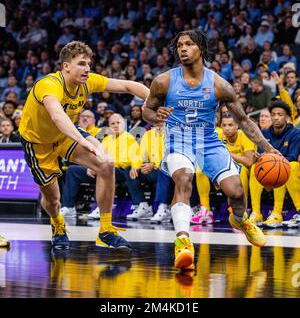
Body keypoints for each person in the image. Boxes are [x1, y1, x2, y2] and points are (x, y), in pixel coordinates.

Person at [142, 29, 278, 271]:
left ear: (201, 49)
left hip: (209, 141)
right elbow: (147, 110)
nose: (182, 49)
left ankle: (239, 220)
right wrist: (156, 116)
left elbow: (245, 121)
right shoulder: (163, 81)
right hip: (178, 140)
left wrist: (268, 148)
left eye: (189, 44)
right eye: (179, 45)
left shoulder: (219, 85)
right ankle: (183, 240)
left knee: (236, 192)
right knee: (184, 178)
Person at [19, 41, 149, 250]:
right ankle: (57, 224)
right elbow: (57, 115)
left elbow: (128, 86)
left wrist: (152, 101)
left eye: (89, 63)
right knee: (53, 200)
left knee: (105, 163)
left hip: (65, 136)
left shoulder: (88, 81)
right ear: (65, 66)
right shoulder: (49, 84)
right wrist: (83, 141)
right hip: (38, 143)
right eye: (81, 63)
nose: (87, 68)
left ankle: (105, 230)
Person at [249, 101, 300, 228]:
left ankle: (278, 213)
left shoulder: (295, 133)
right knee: (256, 167)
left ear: (287, 117)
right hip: (272, 171)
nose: (276, 117)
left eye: (280, 114)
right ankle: (256, 213)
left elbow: (292, 156)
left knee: (285, 166)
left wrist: (273, 160)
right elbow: (262, 156)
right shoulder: (265, 134)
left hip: (289, 168)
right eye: (273, 114)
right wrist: (258, 158)